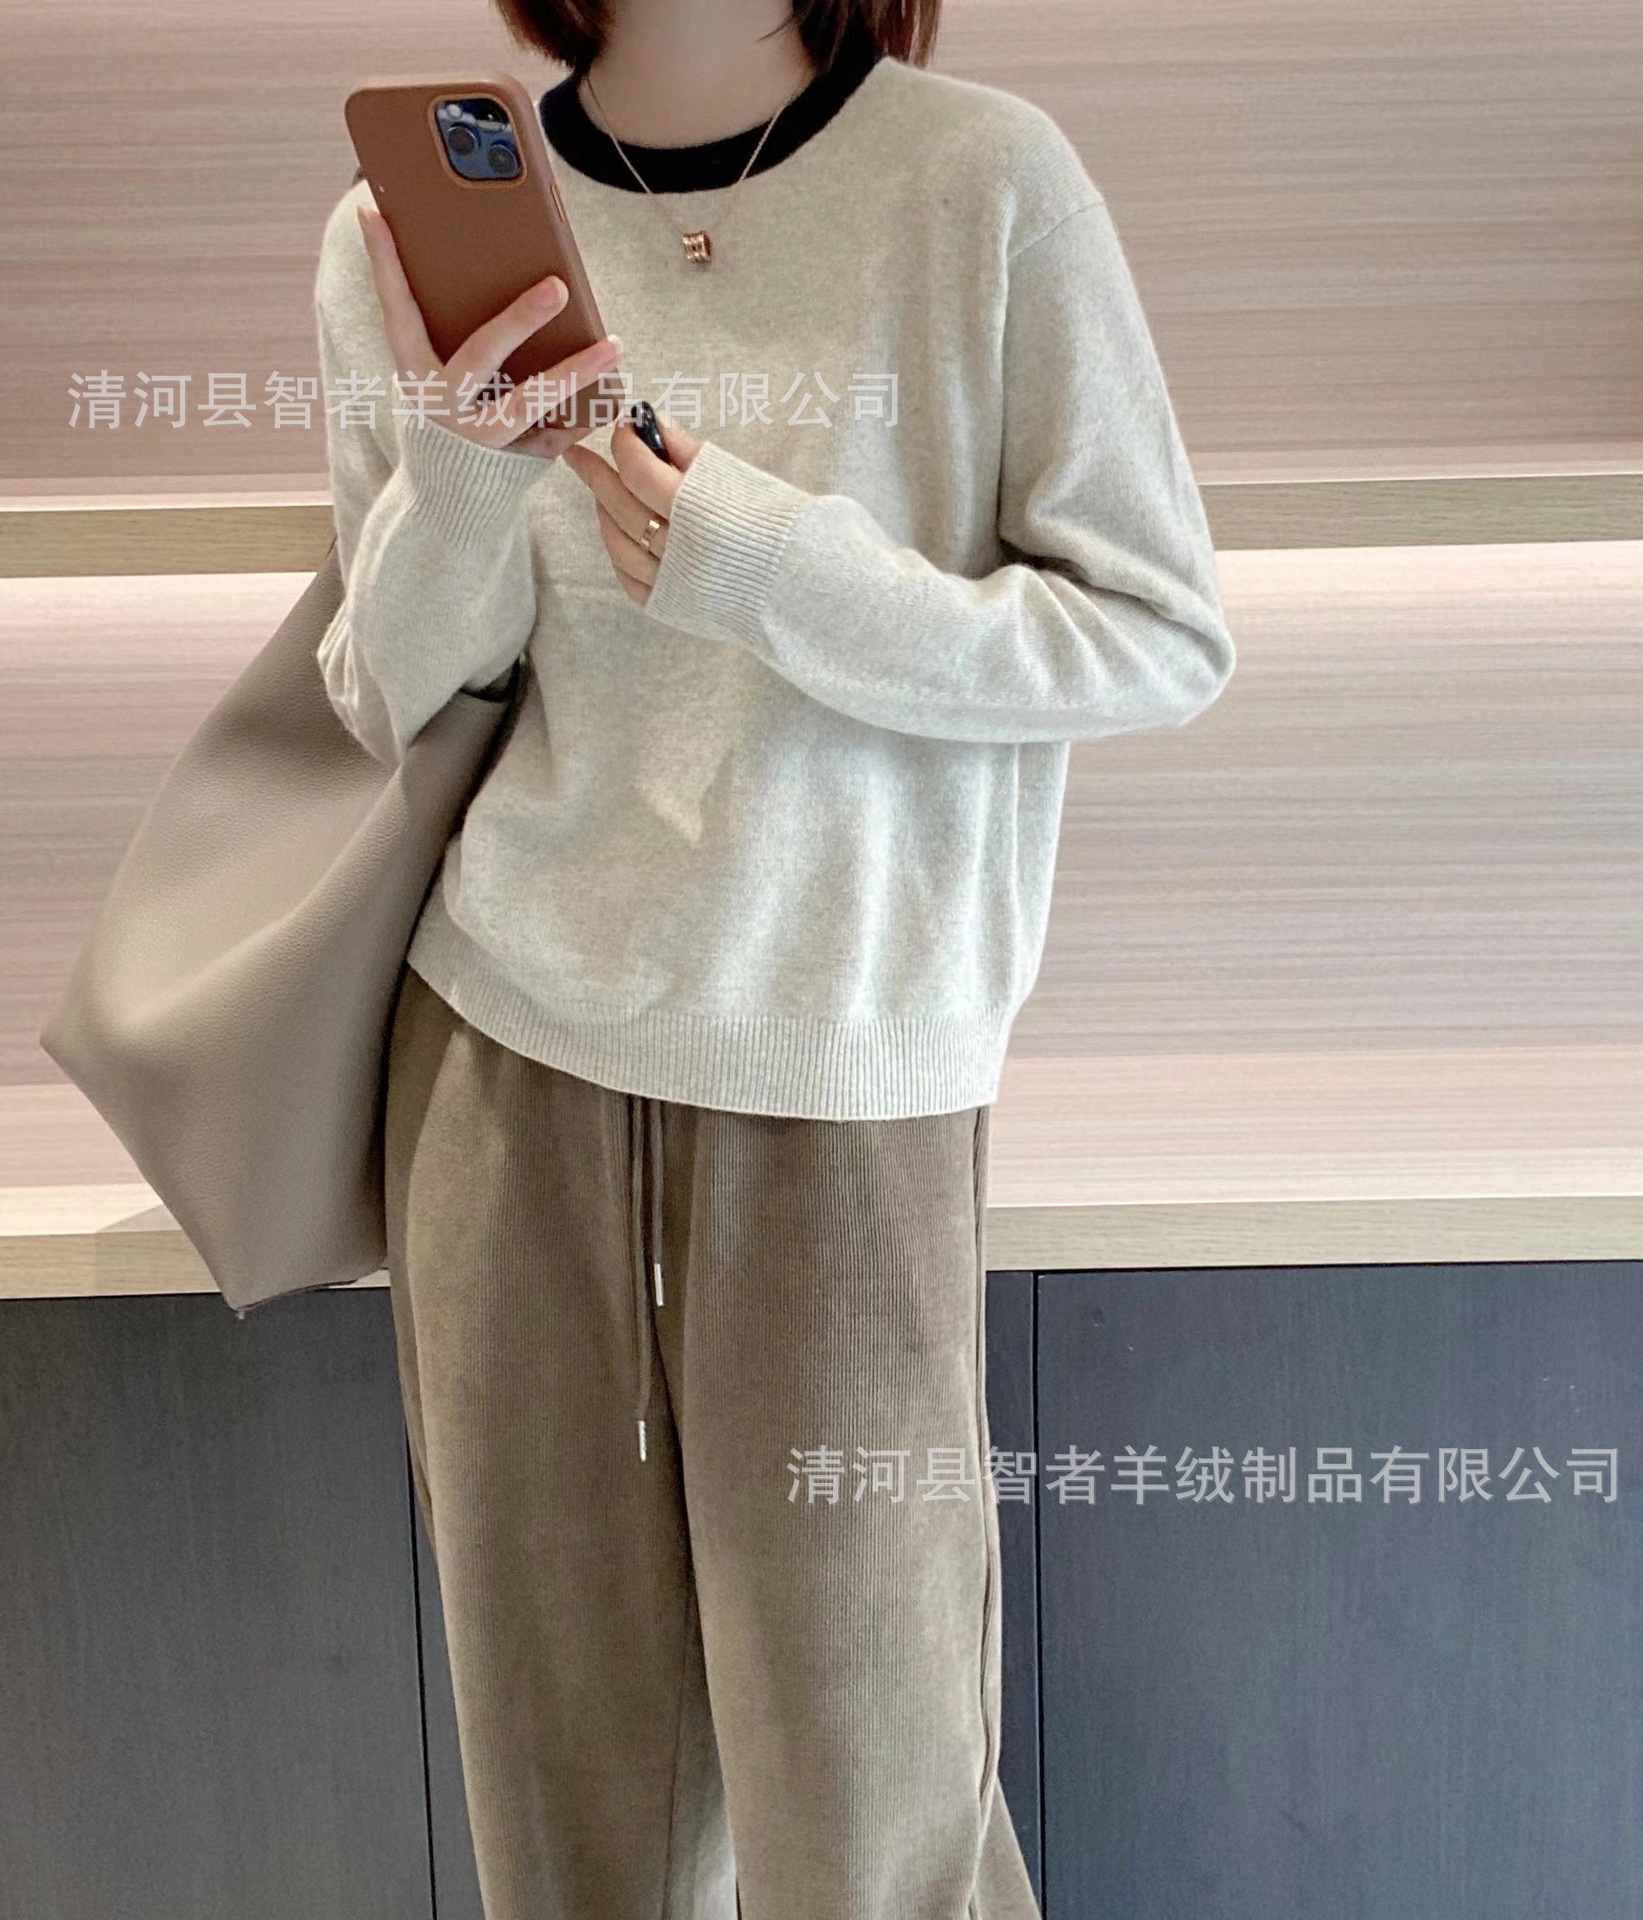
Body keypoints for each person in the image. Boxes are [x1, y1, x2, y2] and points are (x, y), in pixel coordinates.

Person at [312, 0, 1236, 1913]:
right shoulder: (398, 236)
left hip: (844, 1081)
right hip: (502, 1064)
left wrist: (766, 565)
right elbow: (387, 690)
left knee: (870, 1809)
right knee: (566, 1801)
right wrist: (467, 469)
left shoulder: (982, 185)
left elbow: (1155, 634)